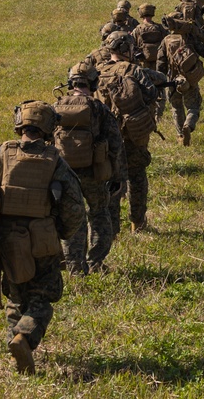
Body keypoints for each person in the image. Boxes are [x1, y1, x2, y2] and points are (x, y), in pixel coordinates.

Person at [0, 101, 85, 375]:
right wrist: (59, 231)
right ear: (49, 128)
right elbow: (74, 208)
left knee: (14, 294)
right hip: (42, 242)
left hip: (3, 241)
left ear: (20, 124)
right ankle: (24, 337)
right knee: (43, 295)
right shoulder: (55, 161)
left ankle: (16, 348)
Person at [53, 62, 128, 274]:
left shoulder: (56, 107)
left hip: (65, 174)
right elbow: (116, 144)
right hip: (95, 173)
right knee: (99, 214)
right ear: (94, 82)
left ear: (70, 82)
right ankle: (95, 262)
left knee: (73, 218)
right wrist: (119, 176)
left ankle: (75, 266)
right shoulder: (99, 109)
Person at [95, 31, 159, 233]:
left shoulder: (96, 71)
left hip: (105, 136)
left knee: (112, 180)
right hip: (132, 134)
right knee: (137, 176)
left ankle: (113, 227)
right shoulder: (134, 70)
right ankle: (137, 222)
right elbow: (152, 93)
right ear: (127, 49)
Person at [157, 12, 204, 146]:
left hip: (173, 79)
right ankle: (189, 124)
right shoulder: (191, 38)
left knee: (176, 107)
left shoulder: (167, 40)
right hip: (190, 78)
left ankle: (181, 134)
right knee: (193, 107)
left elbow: (161, 62)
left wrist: (161, 80)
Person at [131, 3, 168, 71]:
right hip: (159, 61)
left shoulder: (137, 30)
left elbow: (132, 44)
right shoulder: (160, 28)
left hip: (143, 62)